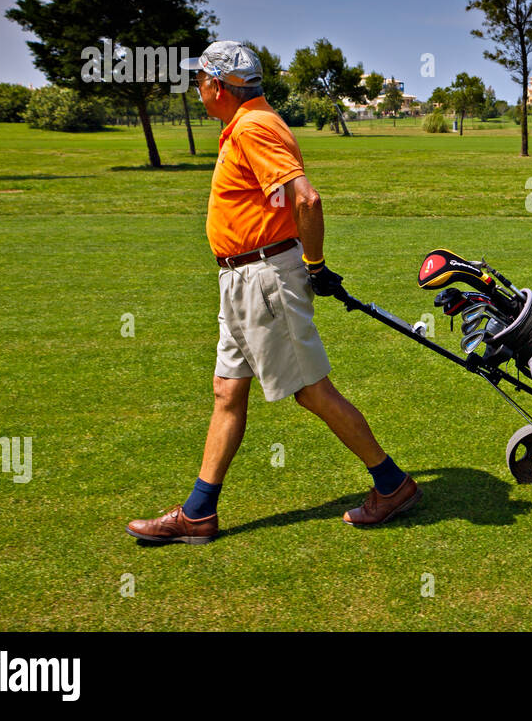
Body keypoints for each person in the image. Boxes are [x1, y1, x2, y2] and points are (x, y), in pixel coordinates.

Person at [126, 41, 420, 544]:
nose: (197, 87)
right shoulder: (242, 127)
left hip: (264, 278)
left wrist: (315, 265)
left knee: (311, 390)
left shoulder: (255, 127)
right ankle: (198, 513)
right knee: (227, 391)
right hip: (241, 280)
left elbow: (306, 197)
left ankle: (392, 485)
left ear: (218, 84)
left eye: (200, 79)